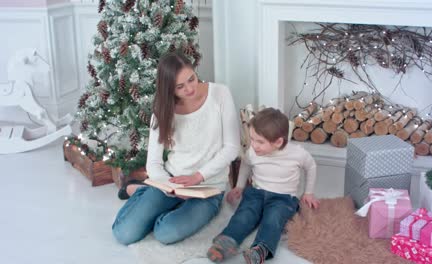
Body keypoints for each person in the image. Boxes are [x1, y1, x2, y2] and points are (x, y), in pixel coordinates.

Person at [112, 52, 240, 245]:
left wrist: (197, 177)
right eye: (180, 86)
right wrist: (172, 187)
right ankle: (142, 191)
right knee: (125, 234)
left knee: (165, 233)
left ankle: (141, 191)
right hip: (172, 184)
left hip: (208, 187)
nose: (190, 89)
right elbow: (154, 163)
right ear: (169, 89)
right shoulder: (163, 109)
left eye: (192, 79)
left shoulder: (220, 94)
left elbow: (231, 148)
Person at [206, 107, 319, 264]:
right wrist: (239, 186)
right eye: (252, 139)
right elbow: (246, 164)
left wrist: (308, 192)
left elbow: (311, 166)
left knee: (273, 220)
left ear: (278, 142)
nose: (254, 145)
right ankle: (227, 241)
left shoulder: (297, 154)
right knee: (244, 214)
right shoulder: (253, 152)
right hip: (257, 193)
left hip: (283, 198)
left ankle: (261, 249)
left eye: (260, 142)